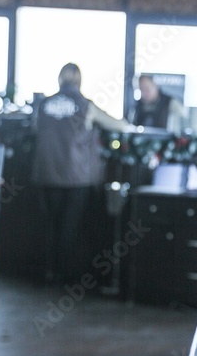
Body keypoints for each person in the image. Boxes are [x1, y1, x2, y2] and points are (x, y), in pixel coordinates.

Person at [32, 63, 130, 283]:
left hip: (46, 174)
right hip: (76, 177)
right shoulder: (86, 106)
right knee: (71, 228)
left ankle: (48, 274)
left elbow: (34, 129)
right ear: (79, 81)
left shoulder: (43, 104)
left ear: (59, 79)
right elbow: (121, 126)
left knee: (50, 226)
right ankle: (68, 277)